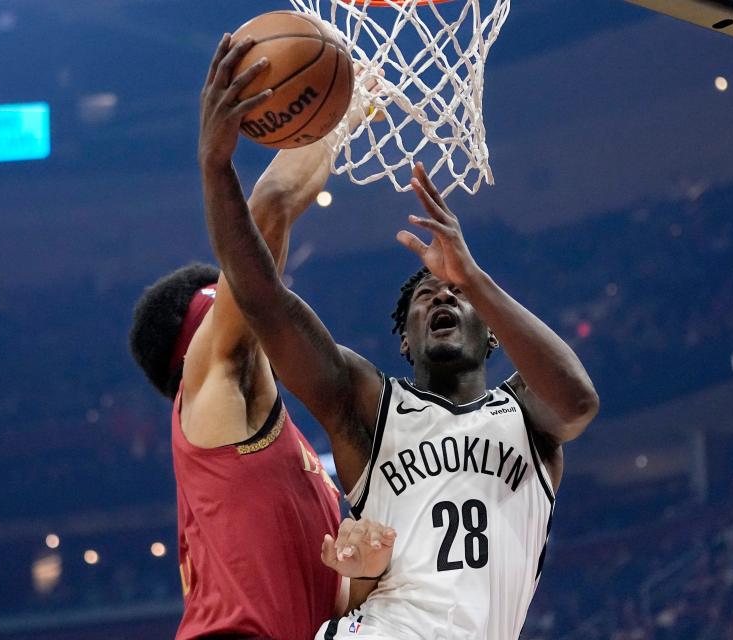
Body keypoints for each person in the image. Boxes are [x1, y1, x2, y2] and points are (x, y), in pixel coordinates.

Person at [198, 33, 600, 640]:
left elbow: (579, 401)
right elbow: (263, 302)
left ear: (493, 335)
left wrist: (473, 277)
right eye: (424, 298)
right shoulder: (368, 403)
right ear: (406, 343)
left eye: (455, 296)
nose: (441, 295)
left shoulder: (529, 414)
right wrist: (216, 168)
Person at [129, 34, 394, 640]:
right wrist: (338, 115)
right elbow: (269, 209)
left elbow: (310, 605)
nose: (257, 294)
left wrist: (365, 576)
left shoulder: (264, 447)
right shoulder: (212, 386)